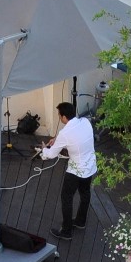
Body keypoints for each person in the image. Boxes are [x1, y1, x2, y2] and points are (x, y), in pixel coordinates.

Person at [39, 100, 97, 240]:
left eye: (59, 115)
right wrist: (57, 139)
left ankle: (66, 231)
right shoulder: (85, 121)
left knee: (67, 197)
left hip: (76, 170)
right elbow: (77, 137)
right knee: (85, 193)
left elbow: (51, 155)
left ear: (64, 117)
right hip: (90, 166)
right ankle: (81, 221)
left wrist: (44, 149)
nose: (59, 118)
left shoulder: (65, 133)